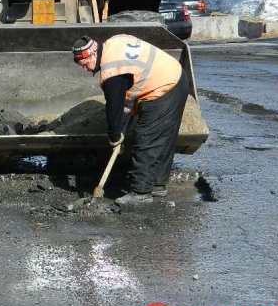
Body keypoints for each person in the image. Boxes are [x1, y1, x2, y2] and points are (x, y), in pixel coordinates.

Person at [72, 34, 190, 206]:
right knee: (163, 137)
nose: (86, 69)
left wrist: (114, 137)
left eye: (85, 64)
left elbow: (114, 109)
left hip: (163, 87)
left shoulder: (111, 72)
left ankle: (141, 192)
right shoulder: (112, 44)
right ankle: (156, 184)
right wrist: (121, 126)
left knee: (146, 138)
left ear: (92, 54)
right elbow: (127, 97)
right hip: (176, 77)